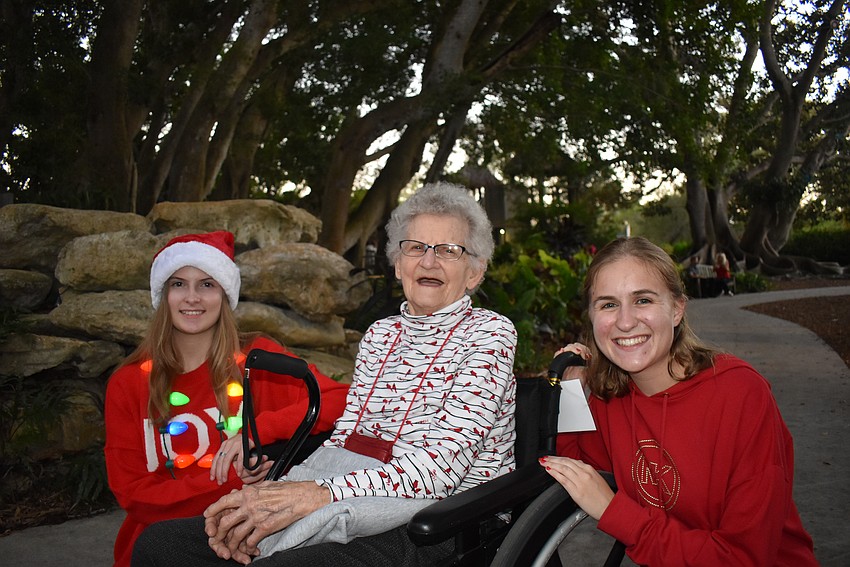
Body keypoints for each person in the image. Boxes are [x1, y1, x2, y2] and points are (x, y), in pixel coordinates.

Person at [131, 182, 518, 567]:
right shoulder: (381, 335)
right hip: (355, 491)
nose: (429, 262)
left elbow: (441, 470)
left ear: (474, 272)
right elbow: (345, 438)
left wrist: (316, 494)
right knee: (161, 545)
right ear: (398, 264)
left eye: (448, 250)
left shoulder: (490, 335)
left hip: (443, 518)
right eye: (416, 247)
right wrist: (277, 493)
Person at [543, 237, 816, 566]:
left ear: (676, 309)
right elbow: (577, 473)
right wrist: (571, 390)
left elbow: (744, 558)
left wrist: (616, 512)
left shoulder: (740, 394)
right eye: (608, 305)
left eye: (643, 300)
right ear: (591, 316)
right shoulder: (614, 395)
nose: (625, 322)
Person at [104, 230, 349, 567]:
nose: (192, 297)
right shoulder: (129, 382)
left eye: (207, 284)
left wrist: (255, 433)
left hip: (255, 534)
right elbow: (135, 495)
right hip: (167, 543)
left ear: (224, 294)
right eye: (179, 284)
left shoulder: (256, 360)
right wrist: (239, 481)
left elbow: (339, 400)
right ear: (163, 295)